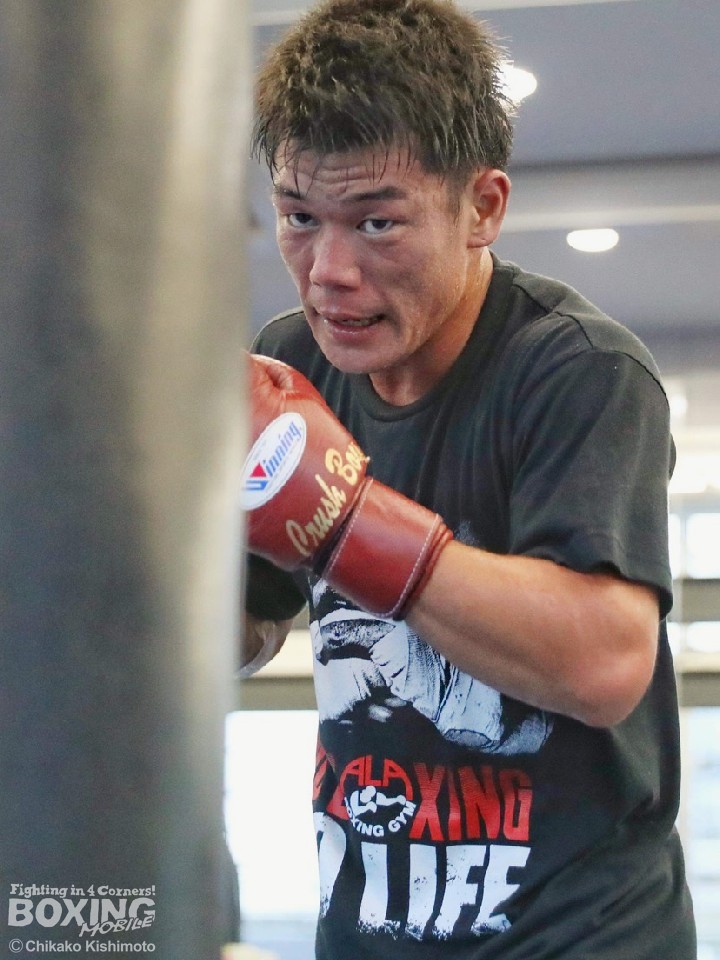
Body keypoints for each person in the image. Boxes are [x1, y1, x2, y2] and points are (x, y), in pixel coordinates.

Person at [239, 0, 697, 957]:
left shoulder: (578, 371)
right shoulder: (294, 367)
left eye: (377, 221)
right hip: (373, 924)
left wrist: (344, 520)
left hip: (579, 938)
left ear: (482, 208)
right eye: (299, 217)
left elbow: (605, 666)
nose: (328, 271)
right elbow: (243, 627)